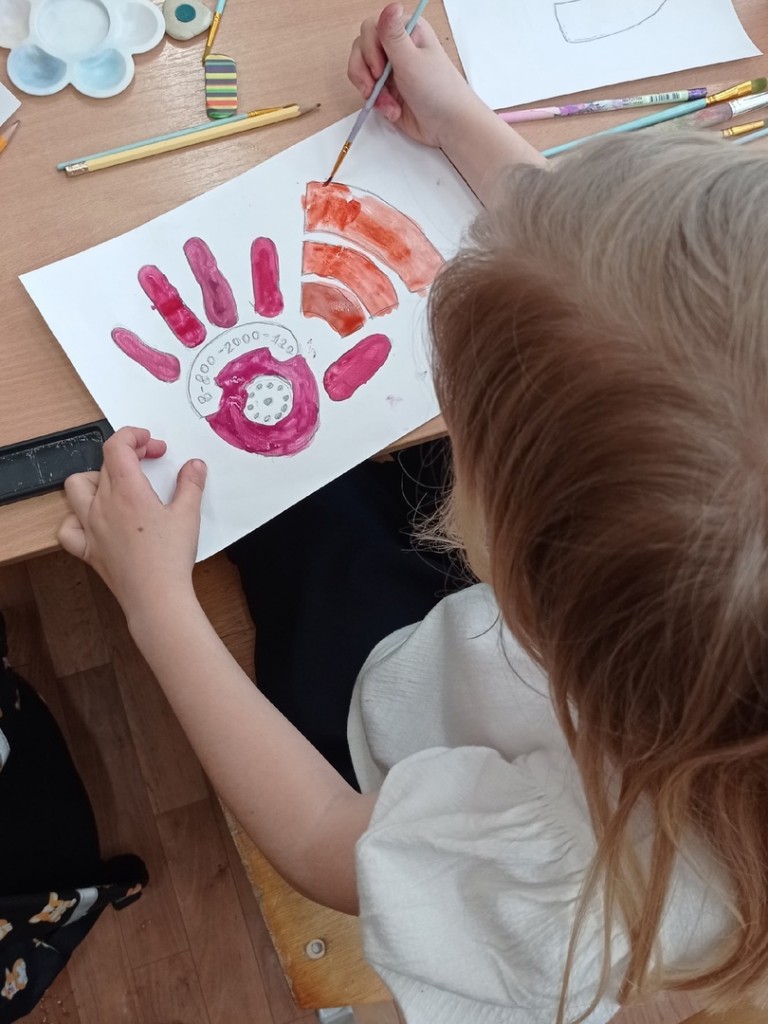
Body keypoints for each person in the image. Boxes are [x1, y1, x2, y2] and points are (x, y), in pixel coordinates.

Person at [56, 4, 768, 1023]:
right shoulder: (706, 594)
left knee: (306, 527)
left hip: (388, 733)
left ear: (507, 563)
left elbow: (326, 844)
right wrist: (456, 115)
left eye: (463, 429)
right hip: (506, 670)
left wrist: (157, 604)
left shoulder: (569, 873)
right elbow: (639, 289)